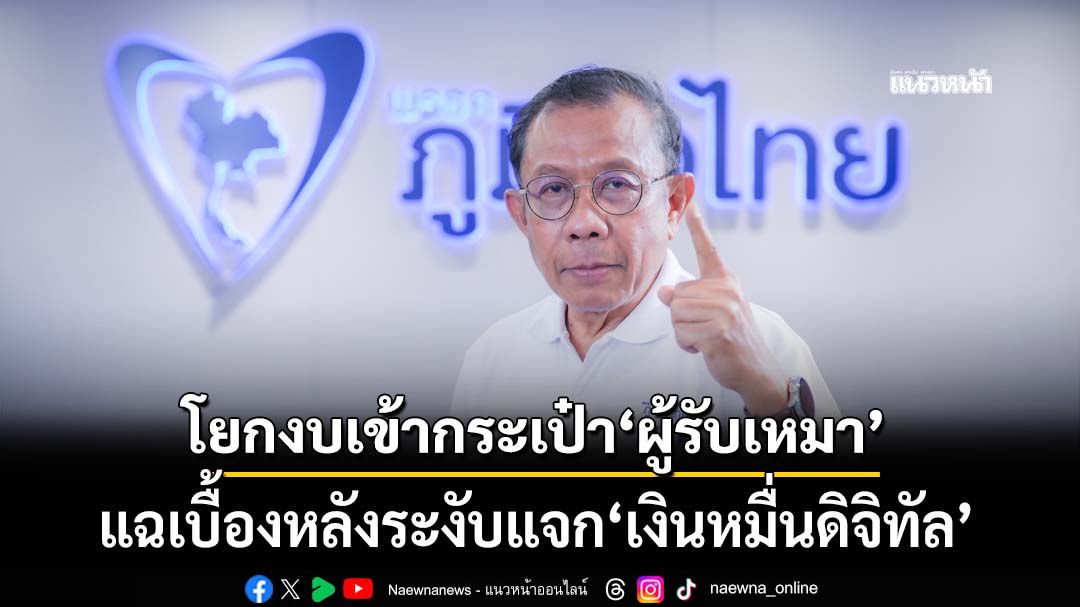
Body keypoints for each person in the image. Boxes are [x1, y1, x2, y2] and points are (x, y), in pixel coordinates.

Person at [451, 67, 839, 421]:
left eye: (617, 184)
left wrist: (767, 394)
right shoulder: (492, 358)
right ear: (522, 215)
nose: (584, 224)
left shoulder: (759, 343)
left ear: (674, 203)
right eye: (553, 189)